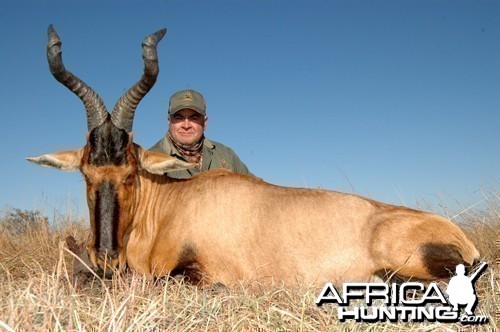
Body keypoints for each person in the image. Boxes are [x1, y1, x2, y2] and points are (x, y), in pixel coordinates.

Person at [150, 89, 250, 178]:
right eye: (179, 118)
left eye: (194, 118)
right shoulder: (151, 161)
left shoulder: (226, 155)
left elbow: (255, 190)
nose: (186, 125)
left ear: (205, 123)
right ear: (169, 121)